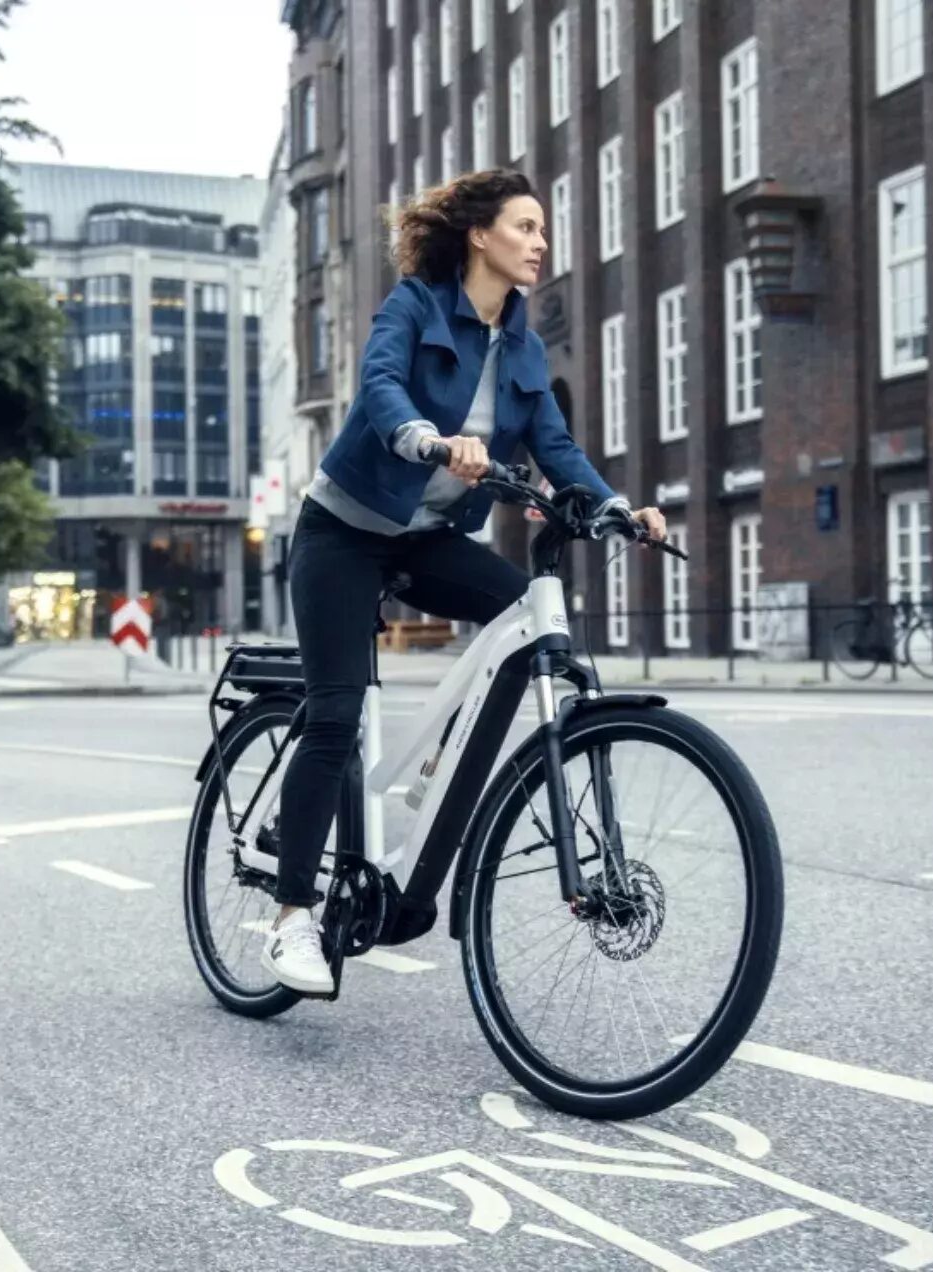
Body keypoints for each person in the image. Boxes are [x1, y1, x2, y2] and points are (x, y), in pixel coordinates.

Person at [261, 168, 666, 995]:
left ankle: (437, 765)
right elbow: (380, 384)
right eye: (526, 226)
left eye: (543, 229)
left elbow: (555, 447)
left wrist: (618, 507)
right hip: (343, 534)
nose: (540, 242)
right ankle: (292, 917)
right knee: (336, 716)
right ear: (480, 236)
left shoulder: (523, 347)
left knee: (525, 614)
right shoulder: (416, 305)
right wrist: (425, 436)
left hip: (427, 539)